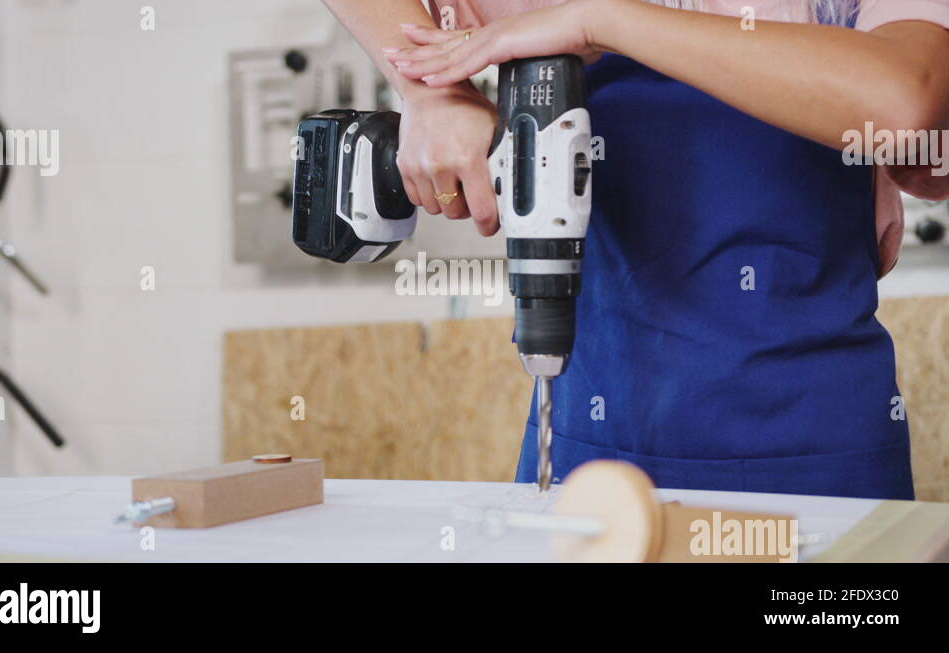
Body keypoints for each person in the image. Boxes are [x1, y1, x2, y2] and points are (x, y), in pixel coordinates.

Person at [322, 0, 949, 499]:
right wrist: (428, 91)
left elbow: (902, 103)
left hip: (816, 454)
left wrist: (600, 19)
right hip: (585, 439)